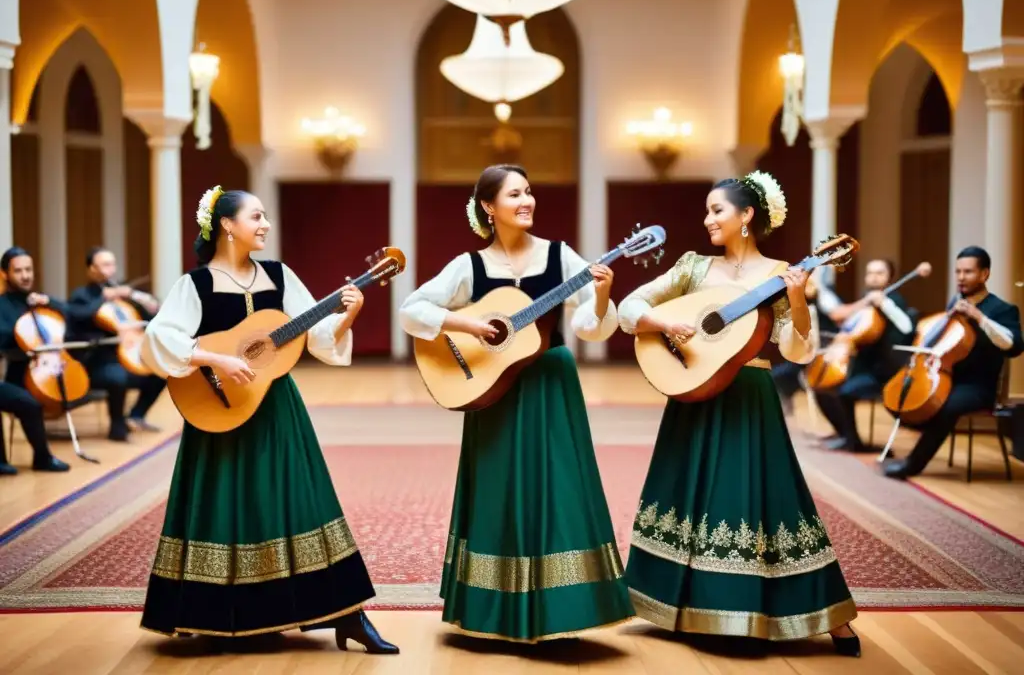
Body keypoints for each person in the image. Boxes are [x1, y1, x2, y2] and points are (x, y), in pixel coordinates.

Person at [138, 186, 397, 652]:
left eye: (265, 216)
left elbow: (317, 336)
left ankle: (348, 615)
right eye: (256, 216)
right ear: (227, 226)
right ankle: (210, 612)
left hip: (277, 408)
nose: (265, 225)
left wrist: (348, 315)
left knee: (304, 501)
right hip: (219, 410)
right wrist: (215, 359)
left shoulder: (279, 276)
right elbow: (158, 339)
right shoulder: (194, 285)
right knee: (222, 508)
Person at [617, 171, 860, 656]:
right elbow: (630, 306)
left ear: (746, 216)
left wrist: (796, 298)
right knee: (683, 492)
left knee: (770, 498)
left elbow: (798, 351)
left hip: (748, 395)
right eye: (707, 210)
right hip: (692, 388)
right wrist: (668, 321)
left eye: (717, 210)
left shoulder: (781, 273)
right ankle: (672, 604)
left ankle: (812, 612)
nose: (707, 219)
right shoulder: (692, 268)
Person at [399, 164, 634, 643]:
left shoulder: (560, 256)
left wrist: (603, 291)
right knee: (498, 489)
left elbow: (591, 326)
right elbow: (412, 311)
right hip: (494, 391)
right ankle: (493, 611)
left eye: (529, 191)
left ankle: (565, 608)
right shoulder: (469, 266)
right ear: (489, 207)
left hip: (550, 380)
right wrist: (469, 326)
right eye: (514, 194)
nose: (527, 201)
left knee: (561, 486)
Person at [883, 246, 1024, 479]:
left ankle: (912, 464)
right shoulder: (955, 303)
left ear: (984, 274)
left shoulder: (1002, 309)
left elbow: (1014, 346)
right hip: (946, 376)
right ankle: (920, 438)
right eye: (958, 271)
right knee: (906, 397)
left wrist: (980, 317)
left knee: (946, 408)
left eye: (968, 272)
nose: (960, 277)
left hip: (978, 386)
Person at [812, 259, 915, 451]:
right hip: (862, 365)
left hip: (883, 369)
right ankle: (845, 434)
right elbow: (850, 323)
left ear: (890, 277)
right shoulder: (867, 299)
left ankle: (853, 441)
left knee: (843, 391)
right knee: (822, 388)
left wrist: (885, 305)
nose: (874, 277)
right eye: (870, 273)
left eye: (879, 273)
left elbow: (907, 327)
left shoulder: (894, 300)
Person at [67, 247, 167, 440]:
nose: (110, 269)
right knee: (117, 376)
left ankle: (136, 415)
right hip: (98, 361)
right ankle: (117, 426)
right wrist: (104, 297)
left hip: (129, 356)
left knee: (161, 370)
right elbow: (78, 315)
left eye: (112, 264)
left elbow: (146, 319)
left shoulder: (123, 295)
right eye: (104, 264)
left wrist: (151, 305)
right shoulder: (82, 295)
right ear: (91, 269)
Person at [0, 247, 70, 474]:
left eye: (28, 269)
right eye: (18, 271)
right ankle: (43, 458)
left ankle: (42, 458)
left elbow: (71, 314)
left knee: (33, 400)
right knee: (29, 403)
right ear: (4, 273)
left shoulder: (36, 301)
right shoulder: (2, 305)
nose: (25, 275)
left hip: (38, 369)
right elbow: (6, 338)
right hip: (14, 372)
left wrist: (48, 301)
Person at [770, 264, 840, 417]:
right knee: (776, 377)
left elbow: (837, 316)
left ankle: (784, 415)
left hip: (820, 354)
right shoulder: (797, 300)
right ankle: (785, 415)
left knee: (778, 377)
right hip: (805, 355)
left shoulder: (825, 298)